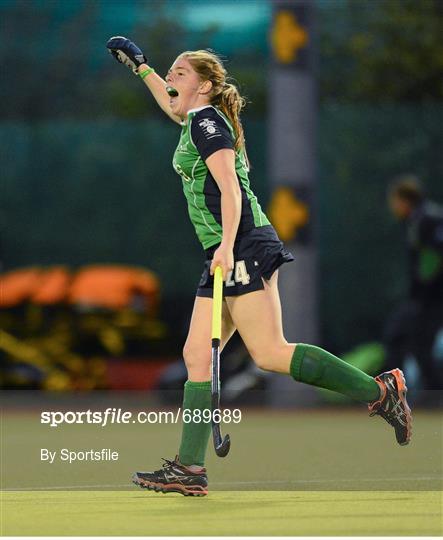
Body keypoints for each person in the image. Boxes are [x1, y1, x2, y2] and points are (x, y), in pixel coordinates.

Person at [106, 37, 412, 497]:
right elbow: (172, 106)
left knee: (269, 353)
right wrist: (142, 68)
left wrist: (227, 246)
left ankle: (380, 392)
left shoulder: (208, 122)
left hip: (242, 245)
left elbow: (229, 189)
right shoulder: (194, 118)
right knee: (195, 357)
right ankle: (189, 469)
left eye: (180, 73)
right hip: (223, 251)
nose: (172, 78)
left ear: (205, 86)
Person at [385, 176, 443, 392]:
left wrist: (427, 282)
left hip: (431, 299)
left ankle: (430, 396)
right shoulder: (417, 221)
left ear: (404, 200)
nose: (393, 206)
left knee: (415, 343)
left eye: (394, 201)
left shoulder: (429, 219)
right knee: (405, 339)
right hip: (422, 299)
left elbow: (433, 259)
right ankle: (420, 394)